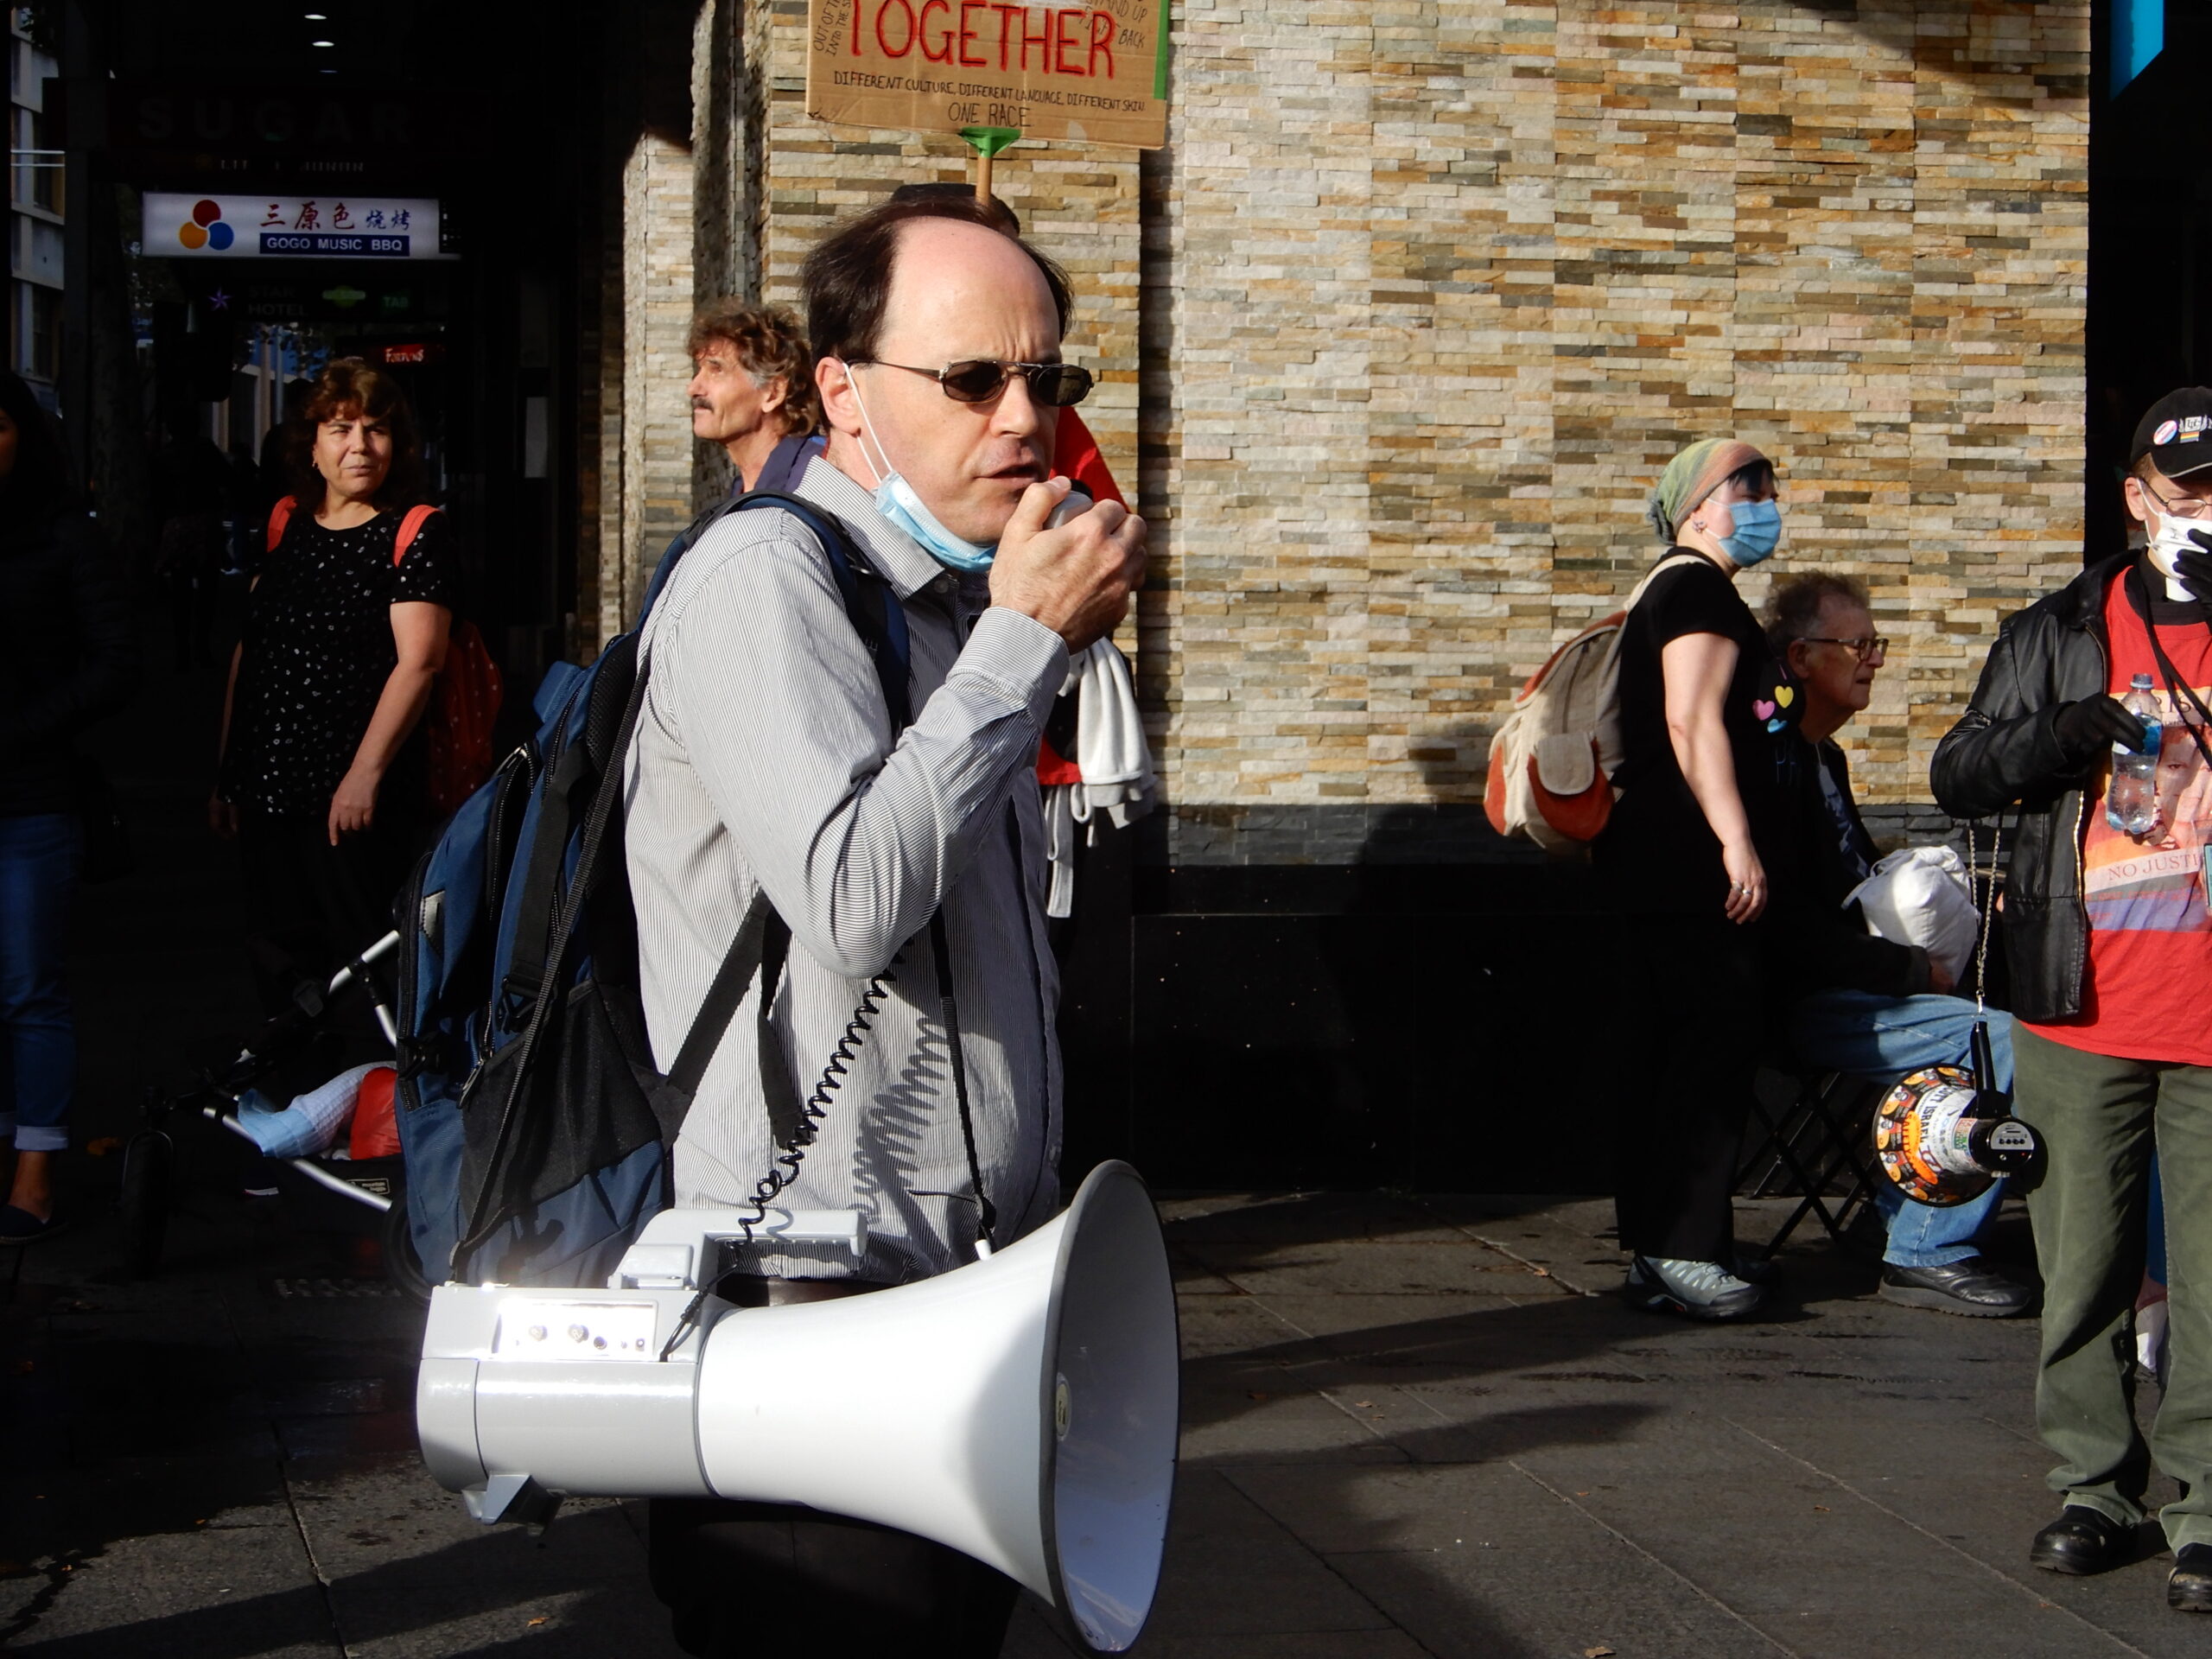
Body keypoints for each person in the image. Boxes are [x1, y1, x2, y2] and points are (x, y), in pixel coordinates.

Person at [626, 194, 1144, 1655]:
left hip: (956, 1309)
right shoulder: (762, 580)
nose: (1024, 417)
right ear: (843, 389)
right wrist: (1027, 645)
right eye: (974, 380)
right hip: (806, 1317)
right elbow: (851, 899)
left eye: (1049, 379)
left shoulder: (943, 605)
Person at [1933, 385, 2212, 1611]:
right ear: (2138, 499)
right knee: (2083, 1262)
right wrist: (2066, 734)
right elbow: (1961, 771)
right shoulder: (2060, 628)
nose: (2204, 517)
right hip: (2084, 1002)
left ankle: (2206, 1504)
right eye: (2188, 495)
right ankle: (2095, 1487)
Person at [1764, 573, 2031, 1317]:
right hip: (1806, 999)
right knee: (1999, 1041)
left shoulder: (1827, 761)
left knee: (1987, 1024)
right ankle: (1926, 1247)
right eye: (1857, 644)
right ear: (1800, 657)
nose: (1872, 659)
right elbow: (1792, 926)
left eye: (1874, 643)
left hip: (1861, 986)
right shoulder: (1776, 766)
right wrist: (1913, 966)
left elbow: (1849, 891)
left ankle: (1900, 1208)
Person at [1593, 438, 1795, 1321]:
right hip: (1689, 864)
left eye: (1767, 488)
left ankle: (1669, 1247)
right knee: (1707, 1051)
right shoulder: (1696, 589)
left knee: (1671, 1051)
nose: (1766, 502)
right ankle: (1680, 1246)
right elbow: (1690, 721)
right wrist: (1736, 841)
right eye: (1748, 488)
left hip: (1660, 862)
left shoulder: (1672, 590)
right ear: (1699, 507)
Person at [212, 359, 457, 1014]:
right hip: (269, 784)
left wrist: (364, 775)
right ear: (311, 446)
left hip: (351, 796)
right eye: (341, 428)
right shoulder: (286, 520)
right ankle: (293, 1099)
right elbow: (253, 653)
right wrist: (227, 772)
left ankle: (366, 1100)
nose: (359, 446)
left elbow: (419, 664)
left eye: (375, 430)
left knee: (361, 960)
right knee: (276, 955)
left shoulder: (414, 530)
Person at [0, 370, 136, 1239]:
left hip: (30, 799)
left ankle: (35, 1173)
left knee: (26, 989)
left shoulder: (63, 538)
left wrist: (21, 731)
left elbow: (117, 662)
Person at [686, 298, 820, 495]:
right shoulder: (743, 489)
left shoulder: (817, 484)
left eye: (716, 369)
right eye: (700, 370)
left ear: (773, 393)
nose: (693, 388)